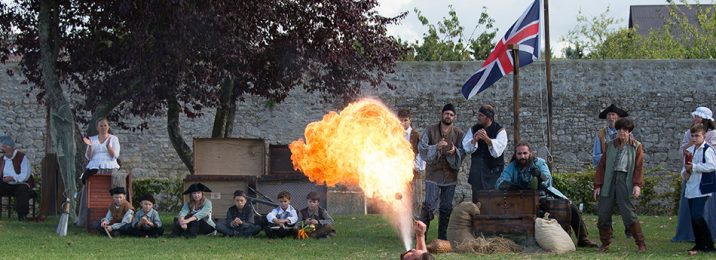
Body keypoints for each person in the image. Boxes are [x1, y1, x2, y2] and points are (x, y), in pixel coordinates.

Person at [495, 142, 598, 247]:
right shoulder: (512, 167)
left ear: (530, 153)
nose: (522, 156)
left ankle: (583, 239)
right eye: (519, 154)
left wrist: (540, 175)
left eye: (525, 153)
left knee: (570, 206)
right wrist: (510, 185)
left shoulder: (539, 163)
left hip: (544, 195)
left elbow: (548, 180)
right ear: (515, 155)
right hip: (521, 199)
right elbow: (499, 182)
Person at [593, 118, 646, 252]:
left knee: (628, 213)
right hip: (609, 180)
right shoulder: (610, 145)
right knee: (603, 213)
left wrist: (637, 185)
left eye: (625, 130)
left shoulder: (636, 146)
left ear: (629, 132)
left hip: (625, 180)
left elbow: (639, 167)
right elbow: (601, 166)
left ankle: (640, 243)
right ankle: (605, 243)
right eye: (619, 129)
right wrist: (598, 185)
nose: (622, 132)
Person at [418, 103, 465, 241]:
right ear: (442, 114)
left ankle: (443, 238)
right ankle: (422, 236)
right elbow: (422, 148)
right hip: (433, 175)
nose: (448, 116)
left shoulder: (459, 134)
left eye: (451, 114)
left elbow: (463, 151)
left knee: (445, 208)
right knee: (429, 206)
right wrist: (436, 147)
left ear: (454, 117)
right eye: (446, 113)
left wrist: (454, 151)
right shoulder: (430, 130)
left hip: (450, 176)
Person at [673, 107, 716, 242]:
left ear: (705, 119)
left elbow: (711, 158)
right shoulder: (689, 134)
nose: (695, 119)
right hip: (690, 174)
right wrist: (691, 143)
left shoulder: (713, 135)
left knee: (704, 208)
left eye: (698, 116)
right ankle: (690, 235)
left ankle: (707, 238)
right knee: (690, 206)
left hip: (705, 176)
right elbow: (682, 153)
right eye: (695, 116)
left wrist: (700, 144)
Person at [592, 104, 633, 239]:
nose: (611, 117)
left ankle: (630, 229)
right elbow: (596, 155)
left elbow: (631, 152)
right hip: (606, 172)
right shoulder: (601, 134)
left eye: (613, 115)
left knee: (625, 202)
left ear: (618, 117)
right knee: (605, 202)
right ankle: (608, 231)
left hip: (623, 172)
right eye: (609, 115)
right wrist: (607, 160)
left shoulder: (627, 133)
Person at [77, 118, 124, 226]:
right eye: (101, 126)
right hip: (94, 166)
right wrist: (89, 145)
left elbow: (115, 156)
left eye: (105, 125)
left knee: (111, 190)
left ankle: (115, 217)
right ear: (97, 127)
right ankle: (85, 219)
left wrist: (108, 146)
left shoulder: (113, 139)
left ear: (108, 127)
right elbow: (89, 157)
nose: (103, 128)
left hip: (110, 166)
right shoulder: (92, 139)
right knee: (89, 190)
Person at [462, 104, 507, 203]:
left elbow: (498, 150)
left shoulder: (500, 130)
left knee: (493, 201)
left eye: (481, 115)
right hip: (477, 172)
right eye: (478, 115)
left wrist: (487, 139)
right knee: (477, 201)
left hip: (493, 172)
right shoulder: (474, 129)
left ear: (489, 117)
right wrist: (474, 140)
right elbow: (466, 147)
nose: (478, 117)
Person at [683, 124, 716, 255]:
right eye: (693, 136)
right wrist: (684, 173)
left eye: (697, 136)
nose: (694, 138)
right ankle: (699, 243)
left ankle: (709, 243)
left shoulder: (707, 149)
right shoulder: (690, 150)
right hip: (691, 186)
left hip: (702, 187)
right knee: (693, 217)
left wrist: (695, 167)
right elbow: (685, 166)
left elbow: (712, 165)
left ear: (704, 136)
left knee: (697, 215)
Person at [398, 109, 425, 215]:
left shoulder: (415, 135)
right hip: (401, 173)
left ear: (410, 120)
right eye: (401, 120)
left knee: (417, 199)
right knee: (403, 198)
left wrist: (416, 166)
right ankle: (404, 220)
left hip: (415, 172)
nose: (403, 123)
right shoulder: (395, 135)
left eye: (405, 120)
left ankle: (417, 220)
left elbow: (421, 153)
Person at [0, 135, 32, 221]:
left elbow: (25, 175)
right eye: (2, 147)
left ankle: (22, 216)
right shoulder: (2, 159)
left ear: (11, 148)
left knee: (23, 189)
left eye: (4, 147)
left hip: (19, 184)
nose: (3, 150)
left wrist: (13, 177)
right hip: (5, 184)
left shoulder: (22, 158)